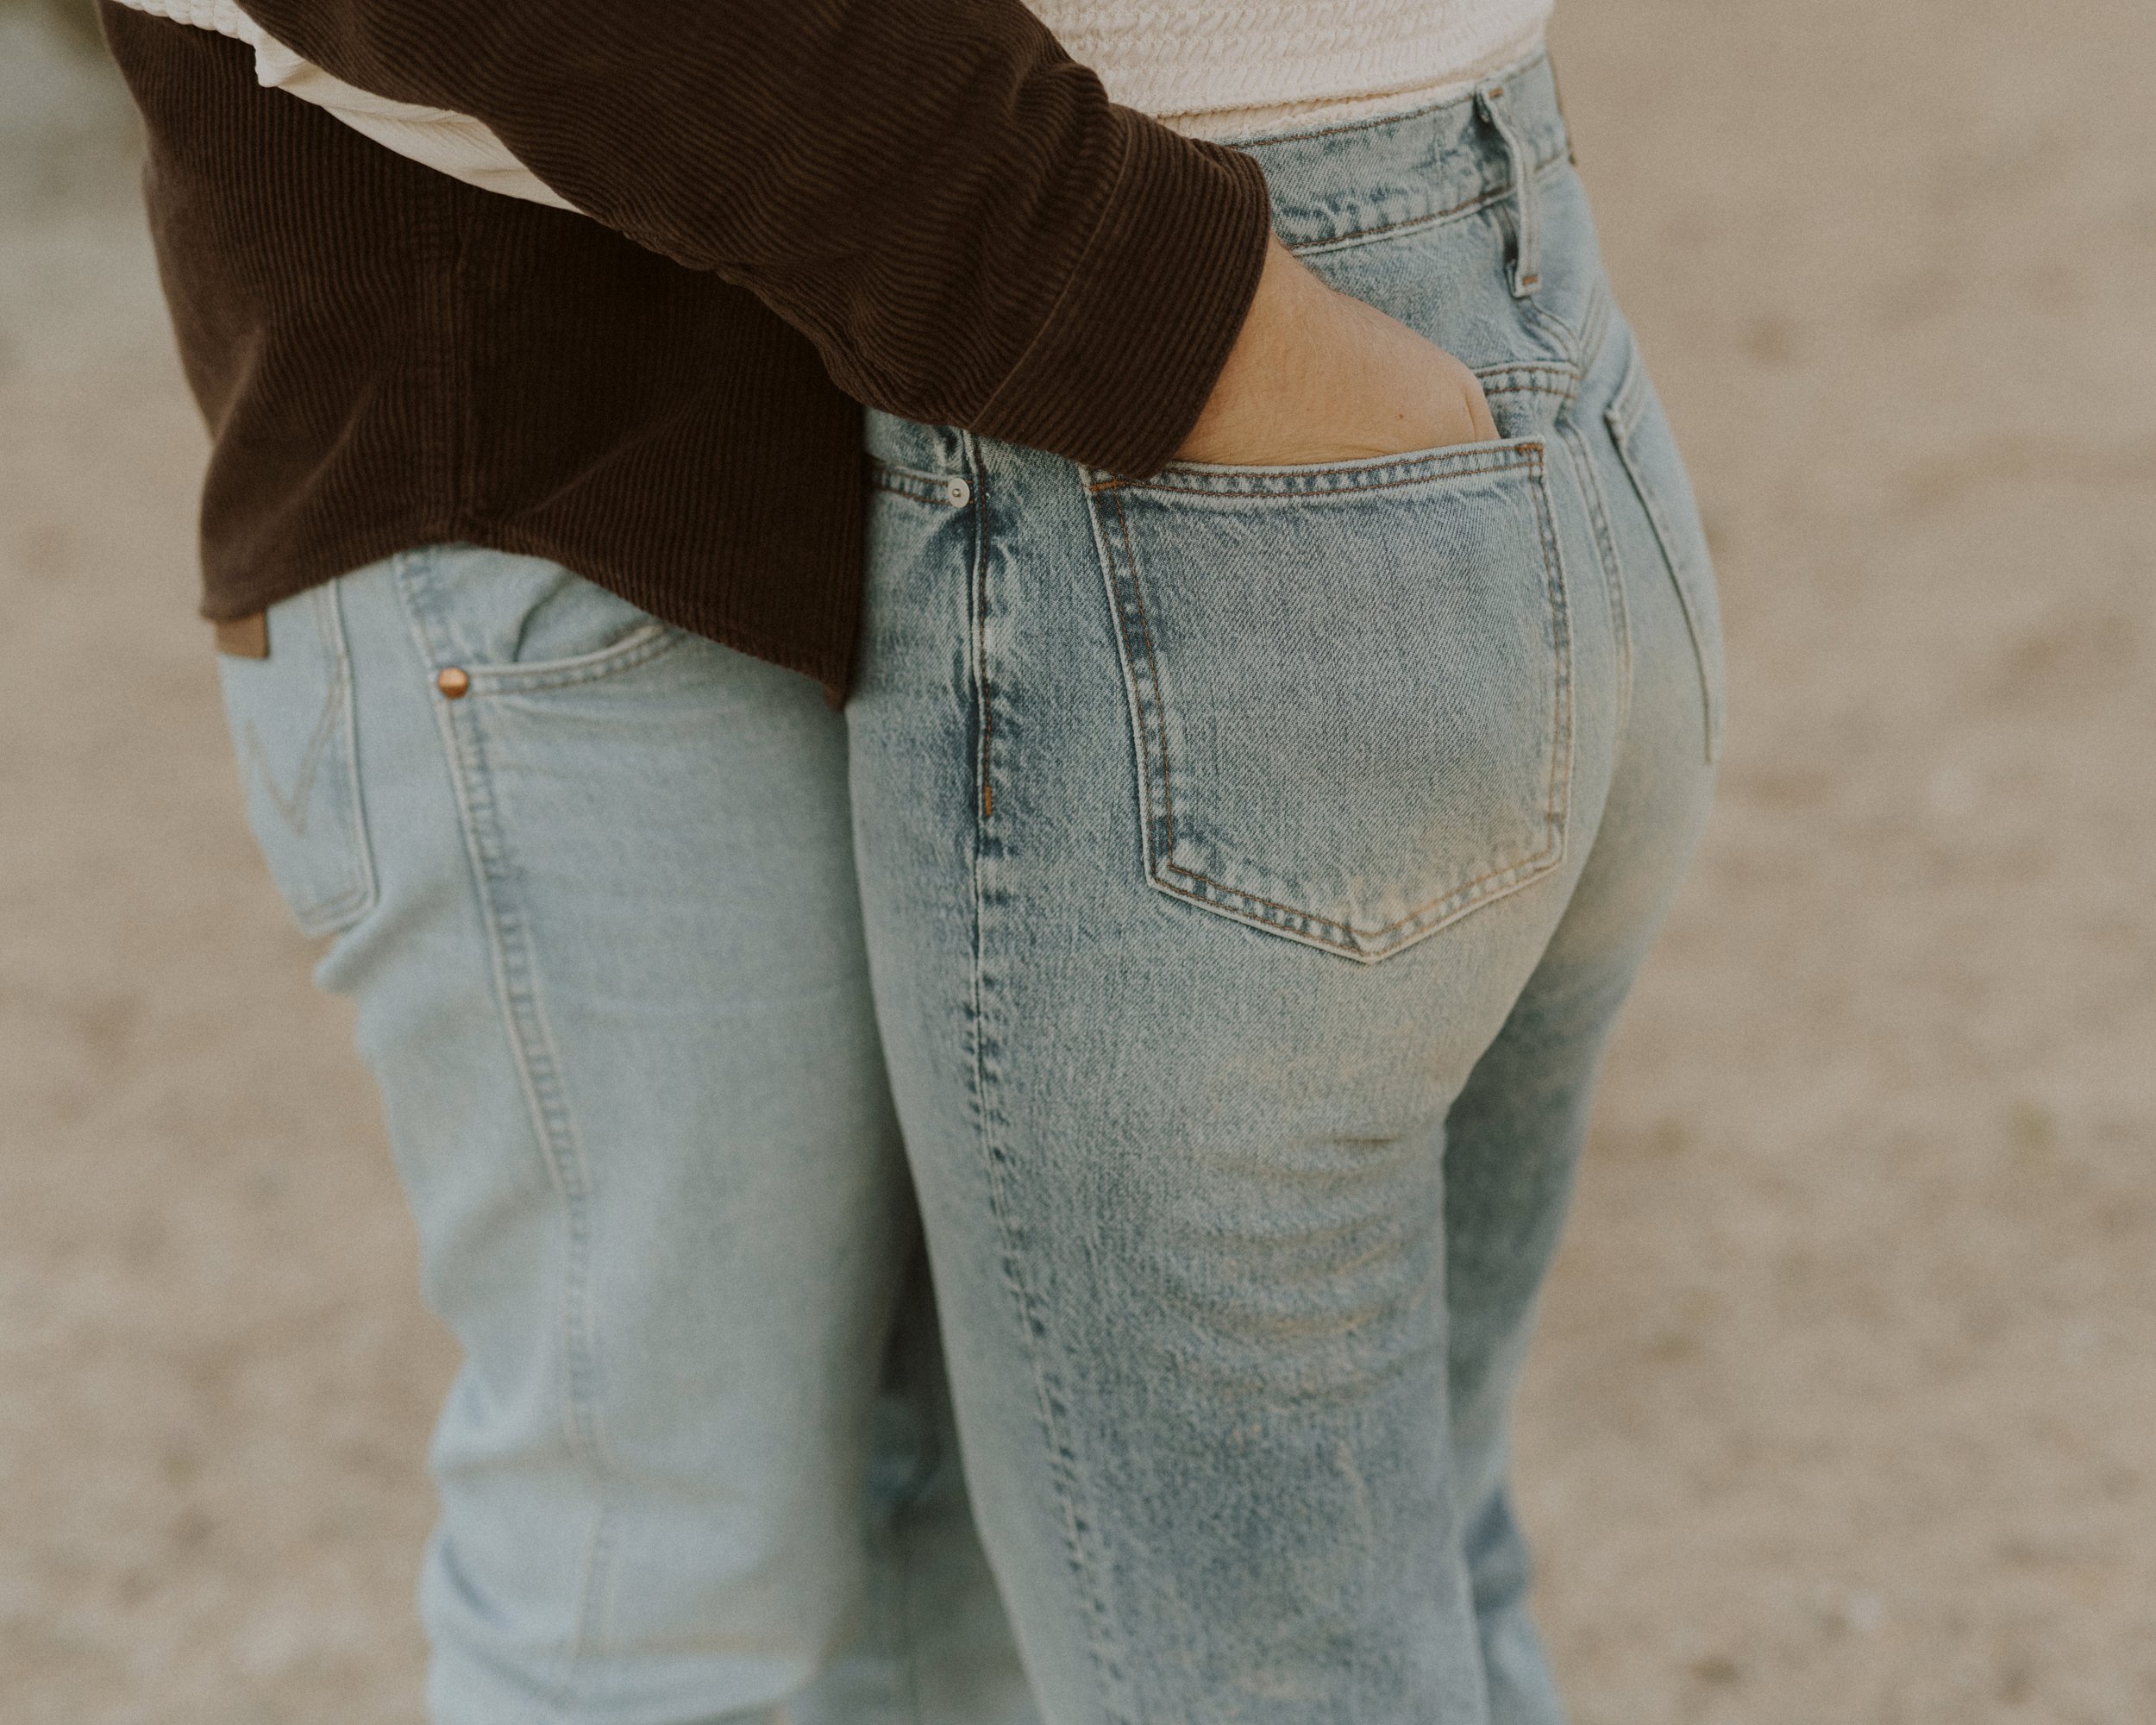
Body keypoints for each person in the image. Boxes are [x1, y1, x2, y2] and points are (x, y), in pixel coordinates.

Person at [98, 0, 1724, 1718]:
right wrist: (1187, 321)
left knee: (1013, 1565)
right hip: (546, 471)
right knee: (667, 1587)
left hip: (915, 412)